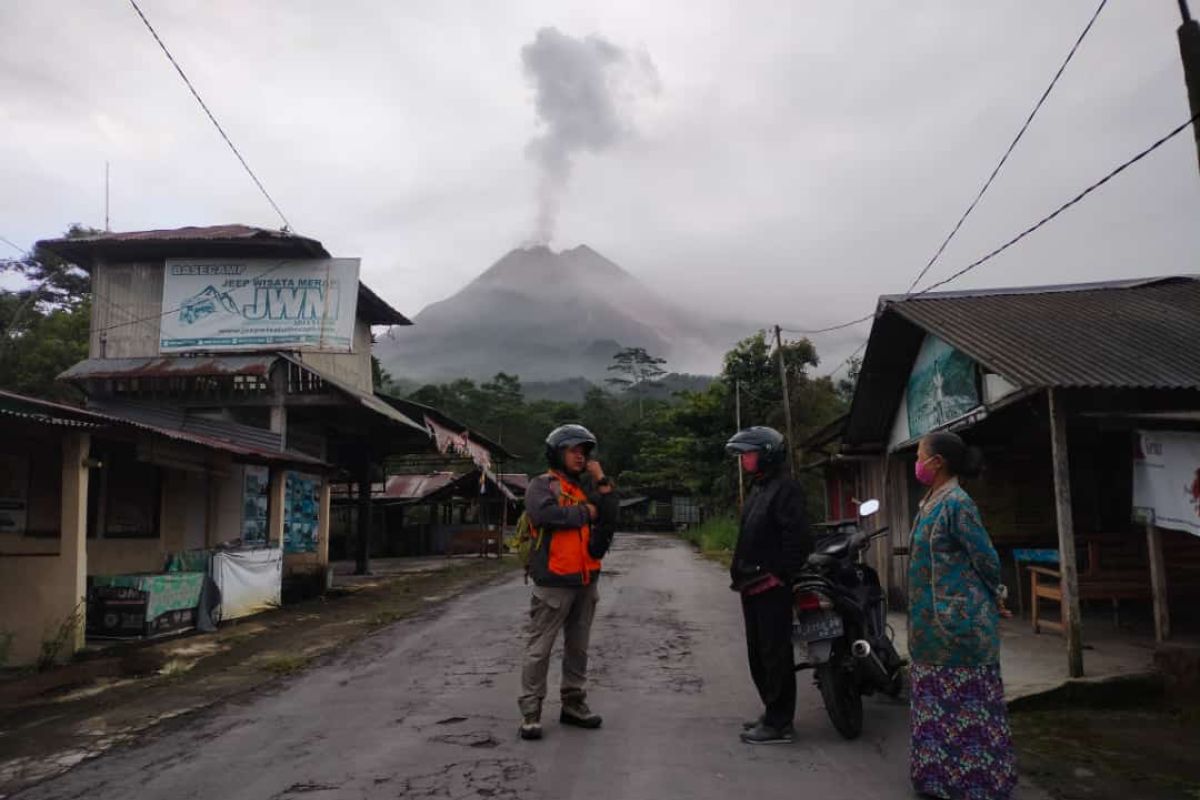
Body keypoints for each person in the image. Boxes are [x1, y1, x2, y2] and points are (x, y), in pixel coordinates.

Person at [907, 431, 1016, 800]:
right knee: (934, 704)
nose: (917, 462)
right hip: (929, 628)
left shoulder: (957, 503)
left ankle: (977, 785)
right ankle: (937, 780)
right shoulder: (930, 500)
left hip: (958, 626)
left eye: (920, 455)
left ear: (938, 463)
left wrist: (997, 594)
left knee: (967, 706)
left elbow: (985, 557)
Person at [517, 424, 619, 741]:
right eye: (574, 450)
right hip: (554, 582)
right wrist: (586, 513)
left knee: (578, 648)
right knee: (540, 649)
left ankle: (573, 705)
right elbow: (545, 516)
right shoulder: (542, 485)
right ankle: (531, 713)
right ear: (557, 452)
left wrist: (600, 479)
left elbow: (610, 516)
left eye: (584, 452)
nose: (580, 456)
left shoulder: (583, 489)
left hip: (586, 580)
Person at [725, 426, 812, 745]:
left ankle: (780, 723)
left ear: (767, 454)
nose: (744, 459)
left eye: (749, 453)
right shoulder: (759, 488)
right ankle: (771, 711)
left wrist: (780, 574)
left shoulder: (785, 489)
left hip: (771, 586)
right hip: (750, 583)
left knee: (775, 655)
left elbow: (798, 538)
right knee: (758, 654)